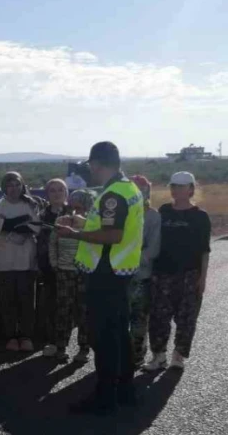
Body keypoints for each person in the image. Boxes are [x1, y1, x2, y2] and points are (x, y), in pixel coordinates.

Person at [55, 141, 145, 415]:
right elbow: (112, 228)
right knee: (119, 333)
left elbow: (112, 235)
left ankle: (105, 397)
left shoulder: (111, 196)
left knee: (105, 336)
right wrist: (83, 223)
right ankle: (126, 390)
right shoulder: (129, 189)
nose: (90, 171)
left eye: (90, 166)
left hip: (106, 273)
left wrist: (74, 234)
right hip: (120, 272)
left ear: (97, 164)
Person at [145, 171, 211, 373]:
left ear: (191, 189)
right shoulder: (163, 211)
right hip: (162, 273)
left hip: (189, 275)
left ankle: (178, 357)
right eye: (173, 185)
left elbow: (204, 251)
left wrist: (203, 278)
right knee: (158, 317)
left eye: (181, 186)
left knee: (186, 318)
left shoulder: (200, 216)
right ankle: (159, 356)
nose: (176, 189)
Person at [0, 171, 40, 352]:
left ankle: (26, 336)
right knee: (7, 301)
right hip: (3, 262)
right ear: (4, 187)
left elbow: (36, 228)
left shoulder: (31, 204)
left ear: (22, 186)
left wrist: (14, 224)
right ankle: (11, 336)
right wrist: (22, 223)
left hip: (26, 261)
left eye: (17, 184)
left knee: (26, 301)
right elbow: (1, 226)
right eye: (10, 185)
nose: (14, 189)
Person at [49, 189, 94, 362]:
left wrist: (83, 223)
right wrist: (55, 264)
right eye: (73, 207)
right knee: (63, 310)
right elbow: (53, 244)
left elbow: (95, 243)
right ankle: (61, 347)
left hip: (84, 272)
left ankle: (84, 348)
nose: (76, 211)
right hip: (64, 271)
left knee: (84, 311)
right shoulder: (61, 220)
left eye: (80, 207)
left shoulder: (91, 222)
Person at [128, 175, 160, 369]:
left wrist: (129, 257)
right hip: (118, 277)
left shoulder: (153, 216)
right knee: (120, 319)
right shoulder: (120, 214)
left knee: (139, 320)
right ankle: (121, 355)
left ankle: (136, 357)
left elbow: (153, 249)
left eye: (143, 188)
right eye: (135, 188)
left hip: (141, 276)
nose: (140, 192)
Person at [37, 179, 70, 355]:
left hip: (71, 267)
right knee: (51, 305)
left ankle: (65, 343)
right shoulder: (42, 215)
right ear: (47, 194)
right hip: (49, 267)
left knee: (68, 306)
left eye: (60, 190)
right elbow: (40, 242)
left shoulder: (73, 213)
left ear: (66, 192)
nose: (56, 193)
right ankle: (52, 342)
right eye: (52, 191)